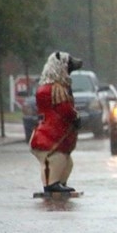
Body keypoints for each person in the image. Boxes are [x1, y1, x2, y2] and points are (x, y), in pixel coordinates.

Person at [30, 51, 82, 193]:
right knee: (54, 160)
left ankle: (60, 183)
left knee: (66, 162)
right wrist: (74, 116)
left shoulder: (57, 88)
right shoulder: (54, 90)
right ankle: (51, 184)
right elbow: (64, 109)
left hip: (57, 137)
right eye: (69, 64)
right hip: (49, 138)